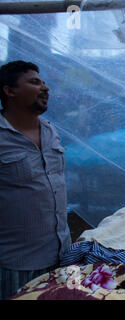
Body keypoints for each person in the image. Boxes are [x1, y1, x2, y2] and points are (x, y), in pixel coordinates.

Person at [0, 61, 71, 299]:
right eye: (34, 82)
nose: (45, 88)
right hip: (17, 264)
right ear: (9, 91)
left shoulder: (51, 131)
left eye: (44, 82)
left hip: (61, 258)